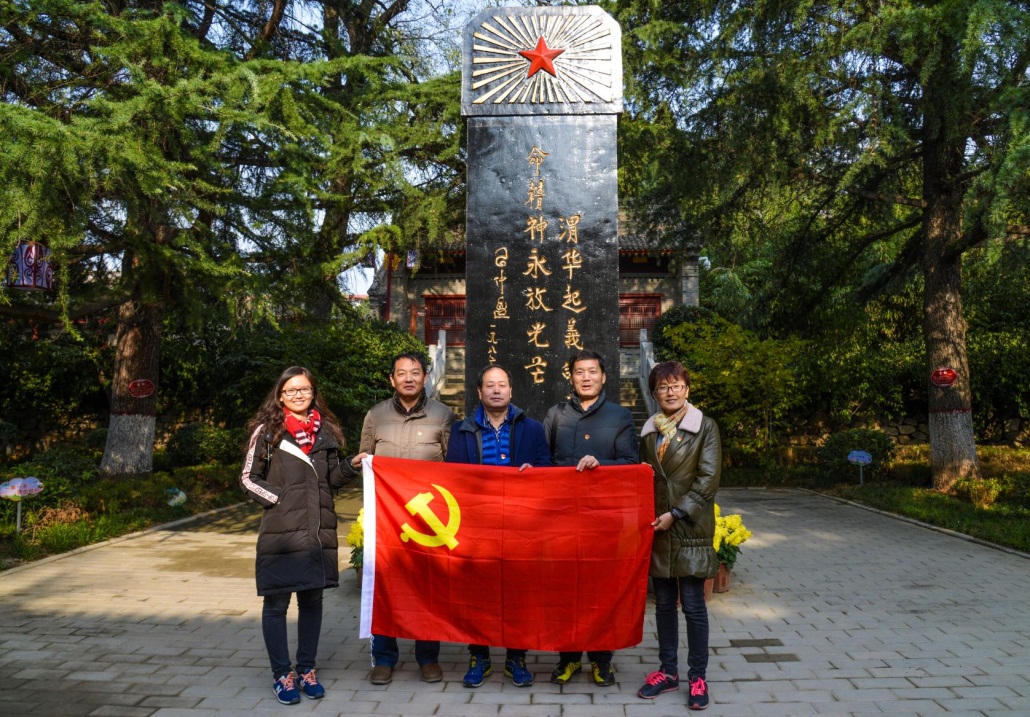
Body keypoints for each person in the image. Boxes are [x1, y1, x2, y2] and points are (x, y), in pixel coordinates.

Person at [240, 366, 353, 705]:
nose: (298, 395)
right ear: (280, 396)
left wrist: (352, 466)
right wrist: (279, 500)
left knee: (312, 602)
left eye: (304, 389)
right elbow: (248, 478)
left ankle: (306, 670)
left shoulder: (326, 432)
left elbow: (330, 481)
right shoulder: (267, 432)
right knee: (276, 603)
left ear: (314, 393)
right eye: (291, 390)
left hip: (318, 530)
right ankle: (282, 675)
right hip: (281, 533)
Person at [346, 352, 456, 686]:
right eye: (401, 373)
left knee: (427, 589)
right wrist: (361, 465)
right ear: (391, 379)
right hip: (387, 519)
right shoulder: (376, 415)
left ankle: (428, 657)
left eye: (415, 372)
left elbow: (454, 467)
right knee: (384, 587)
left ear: (425, 377)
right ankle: (384, 658)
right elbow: (366, 460)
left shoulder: (443, 415)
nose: (408, 378)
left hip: (428, 522)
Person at [445, 364, 552, 689]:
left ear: (510, 390)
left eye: (502, 384)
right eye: (489, 385)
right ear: (479, 392)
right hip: (477, 526)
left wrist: (535, 473)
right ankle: (479, 656)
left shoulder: (532, 429)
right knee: (478, 594)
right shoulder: (462, 430)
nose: (496, 390)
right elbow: (452, 476)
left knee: (517, 593)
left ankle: (516, 657)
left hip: (520, 526)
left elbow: (548, 470)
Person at [542, 349, 638, 687]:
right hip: (562, 519)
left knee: (600, 590)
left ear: (603, 376)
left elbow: (630, 464)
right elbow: (543, 462)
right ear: (571, 377)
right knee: (565, 590)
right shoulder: (556, 415)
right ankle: (568, 658)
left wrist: (602, 465)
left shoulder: (620, 416)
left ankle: (601, 659)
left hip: (602, 520)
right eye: (579, 372)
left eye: (592, 371)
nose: (586, 377)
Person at [636, 360, 721, 711]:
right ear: (654, 393)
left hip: (689, 527)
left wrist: (677, 513)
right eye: (663, 387)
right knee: (664, 605)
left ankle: (697, 676)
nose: (670, 392)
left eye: (676, 386)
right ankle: (668, 671)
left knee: (693, 605)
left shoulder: (705, 427)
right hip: (658, 527)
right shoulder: (649, 432)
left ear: (687, 389)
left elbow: (708, 479)